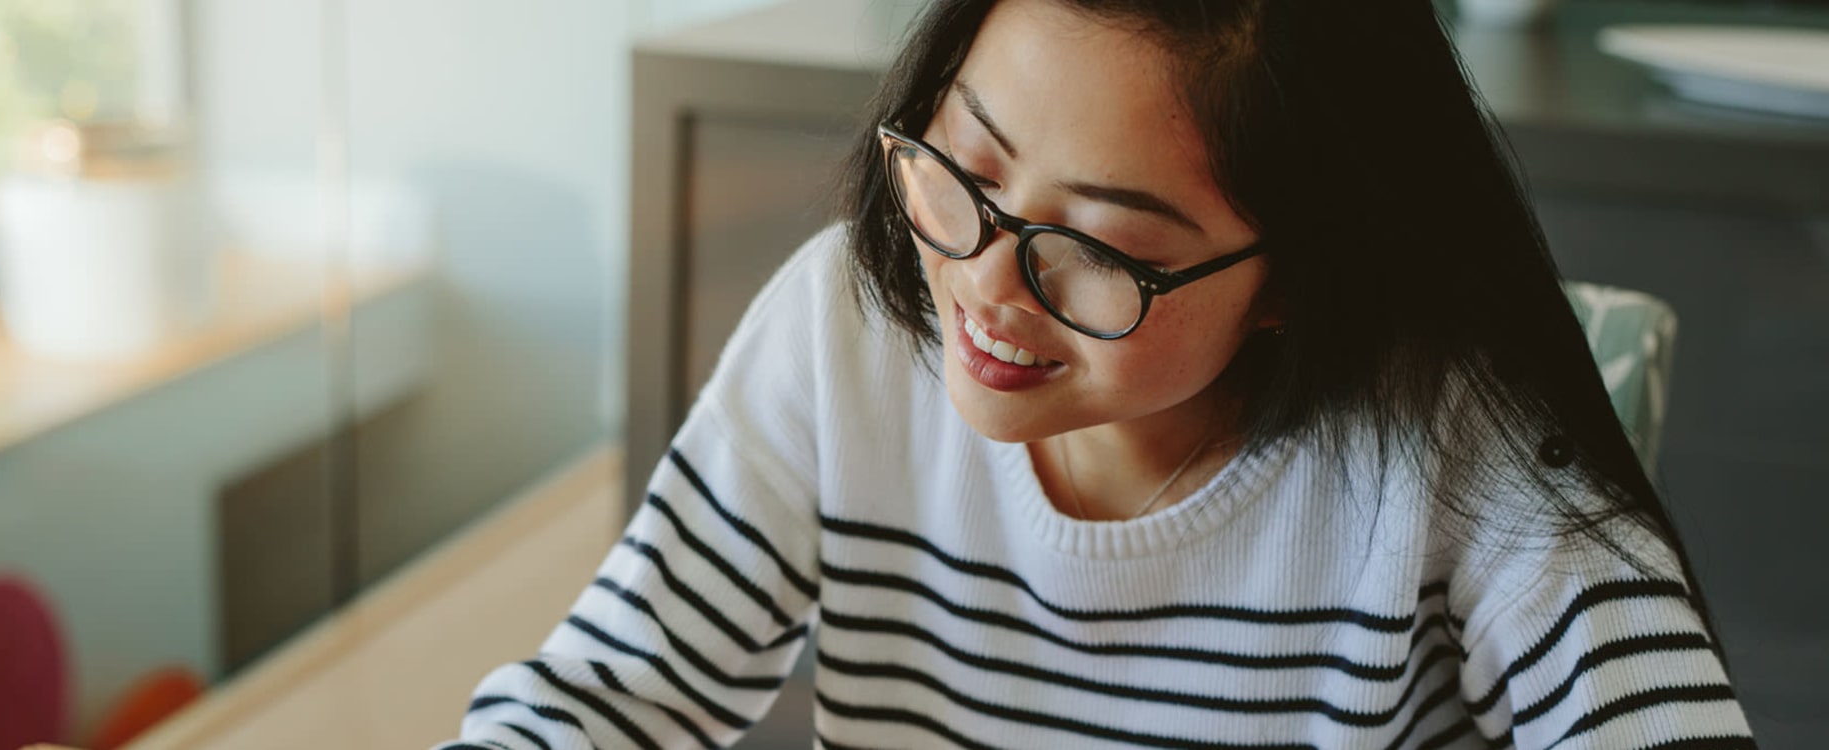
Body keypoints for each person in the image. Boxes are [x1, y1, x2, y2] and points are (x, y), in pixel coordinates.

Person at [436, 0, 1755, 747]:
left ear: (1296, 274)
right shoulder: (845, 324)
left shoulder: (1452, 425)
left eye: (1100, 250)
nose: (991, 288)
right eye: (966, 163)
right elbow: (615, 689)